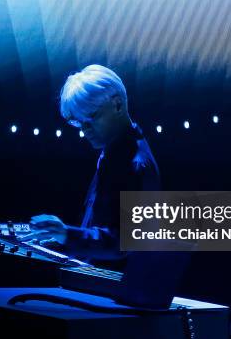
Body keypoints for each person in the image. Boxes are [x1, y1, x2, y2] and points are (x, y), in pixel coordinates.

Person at [21, 65, 161, 270]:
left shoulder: (135, 163)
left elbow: (123, 242)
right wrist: (61, 240)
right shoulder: (113, 153)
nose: (84, 130)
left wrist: (66, 234)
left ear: (118, 104)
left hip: (108, 296)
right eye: (79, 123)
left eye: (92, 118)